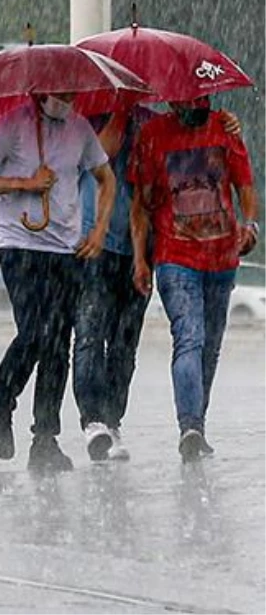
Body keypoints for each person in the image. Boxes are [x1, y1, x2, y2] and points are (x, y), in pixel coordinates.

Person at [74, 107, 241, 462]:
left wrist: (227, 125)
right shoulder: (86, 120)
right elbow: (99, 158)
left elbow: (153, 190)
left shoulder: (152, 124)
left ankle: (114, 420)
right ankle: (93, 421)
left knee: (123, 344)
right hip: (95, 245)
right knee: (89, 334)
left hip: (142, 246)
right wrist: (120, 110)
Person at [0, 93, 115, 474]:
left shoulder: (80, 128)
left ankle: (45, 439)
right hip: (19, 244)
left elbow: (105, 178)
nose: (64, 100)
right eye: (57, 93)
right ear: (39, 90)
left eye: (70, 94)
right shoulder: (12, 124)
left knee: (56, 344)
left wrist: (98, 231)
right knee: (34, 333)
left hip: (65, 249)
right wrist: (24, 183)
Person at [129, 95, 257, 463]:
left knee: (210, 347)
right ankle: (189, 426)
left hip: (222, 260)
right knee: (189, 338)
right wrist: (141, 258)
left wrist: (251, 225)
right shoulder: (154, 135)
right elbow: (141, 201)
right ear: (172, 104)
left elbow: (245, 188)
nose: (198, 106)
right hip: (175, 257)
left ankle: (196, 425)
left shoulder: (225, 129)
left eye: (204, 99)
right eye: (189, 101)